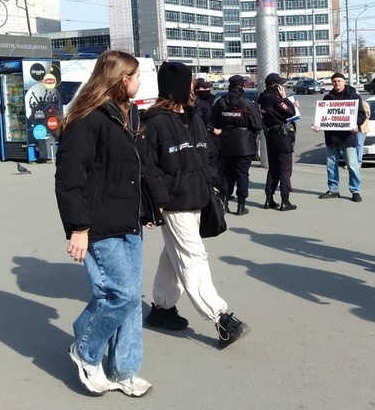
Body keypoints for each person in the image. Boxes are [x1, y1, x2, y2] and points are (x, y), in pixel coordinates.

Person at [54, 50, 167, 398]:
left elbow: (130, 171)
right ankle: (86, 350)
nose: (139, 82)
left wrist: (147, 209)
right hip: (99, 224)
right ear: (122, 80)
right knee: (122, 295)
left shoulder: (123, 115)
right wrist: (78, 228)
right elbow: (70, 179)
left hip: (128, 221)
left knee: (131, 301)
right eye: (136, 76)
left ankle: (124, 370)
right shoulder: (87, 120)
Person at [142, 62, 250, 347]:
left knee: (174, 253)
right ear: (176, 87)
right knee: (193, 255)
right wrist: (159, 200)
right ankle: (221, 318)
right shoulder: (155, 122)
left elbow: (208, 154)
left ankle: (162, 308)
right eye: (190, 84)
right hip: (174, 203)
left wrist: (212, 183)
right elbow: (148, 167)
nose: (196, 88)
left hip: (199, 196)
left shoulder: (194, 117)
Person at [212, 75, 264, 215]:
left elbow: (214, 122)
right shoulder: (247, 103)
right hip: (244, 143)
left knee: (226, 174)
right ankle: (241, 206)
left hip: (226, 142)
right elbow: (258, 125)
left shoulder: (221, 102)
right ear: (242, 86)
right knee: (242, 174)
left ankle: (224, 203)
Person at [313, 72, 366, 202]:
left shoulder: (353, 97)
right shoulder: (327, 98)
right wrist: (317, 125)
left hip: (347, 138)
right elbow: (322, 117)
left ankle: (355, 191)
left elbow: (361, 115)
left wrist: (356, 124)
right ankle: (333, 189)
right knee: (331, 165)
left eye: (339, 81)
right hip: (331, 138)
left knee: (352, 165)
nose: (337, 83)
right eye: (334, 81)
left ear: (344, 82)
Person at [258, 72, 298, 211]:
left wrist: (286, 102)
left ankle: (269, 199)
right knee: (285, 169)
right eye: (281, 84)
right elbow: (291, 112)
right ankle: (285, 201)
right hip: (281, 136)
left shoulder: (263, 97)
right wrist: (285, 99)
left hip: (270, 136)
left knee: (273, 168)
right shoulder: (275, 98)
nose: (283, 86)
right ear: (275, 86)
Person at [356, 99, 371, 165]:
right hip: (351, 129)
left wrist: (357, 116)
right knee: (351, 146)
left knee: (359, 144)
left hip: (361, 129)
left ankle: (358, 162)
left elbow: (367, 114)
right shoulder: (349, 103)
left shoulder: (364, 104)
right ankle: (352, 162)